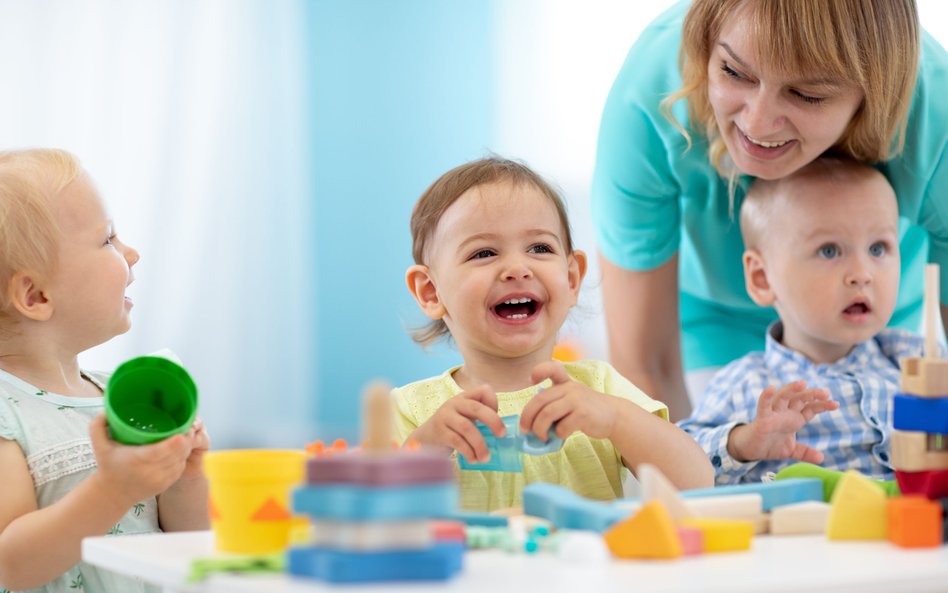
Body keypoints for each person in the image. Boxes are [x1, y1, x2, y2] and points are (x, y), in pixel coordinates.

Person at [591, 0, 948, 421]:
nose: (757, 124)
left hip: (872, 324)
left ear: (870, 96)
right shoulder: (650, 95)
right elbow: (645, 365)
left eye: (806, 94)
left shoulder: (936, 121)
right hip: (711, 323)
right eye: (734, 72)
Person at [393, 157, 713, 512]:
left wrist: (616, 419)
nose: (517, 268)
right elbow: (372, 514)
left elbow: (697, 484)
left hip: (584, 568)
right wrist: (426, 446)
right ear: (430, 292)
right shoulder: (411, 410)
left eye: (539, 248)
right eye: (484, 253)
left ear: (572, 278)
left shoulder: (599, 390)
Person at [0, 149, 209, 593]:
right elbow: (10, 566)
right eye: (108, 239)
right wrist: (114, 490)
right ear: (36, 295)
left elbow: (190, 544)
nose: (131, 253)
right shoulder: (7, 412)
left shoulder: (114, 394)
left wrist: (184, 479)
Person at [678, 157, 925, 484]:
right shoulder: (746, 384)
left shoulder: (914, 360)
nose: (862, 274)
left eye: (878, 248)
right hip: (802, 532)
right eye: (829, 251)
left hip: (911, 530)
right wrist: (742, 442)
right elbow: (679, 460)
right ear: (763, 278)